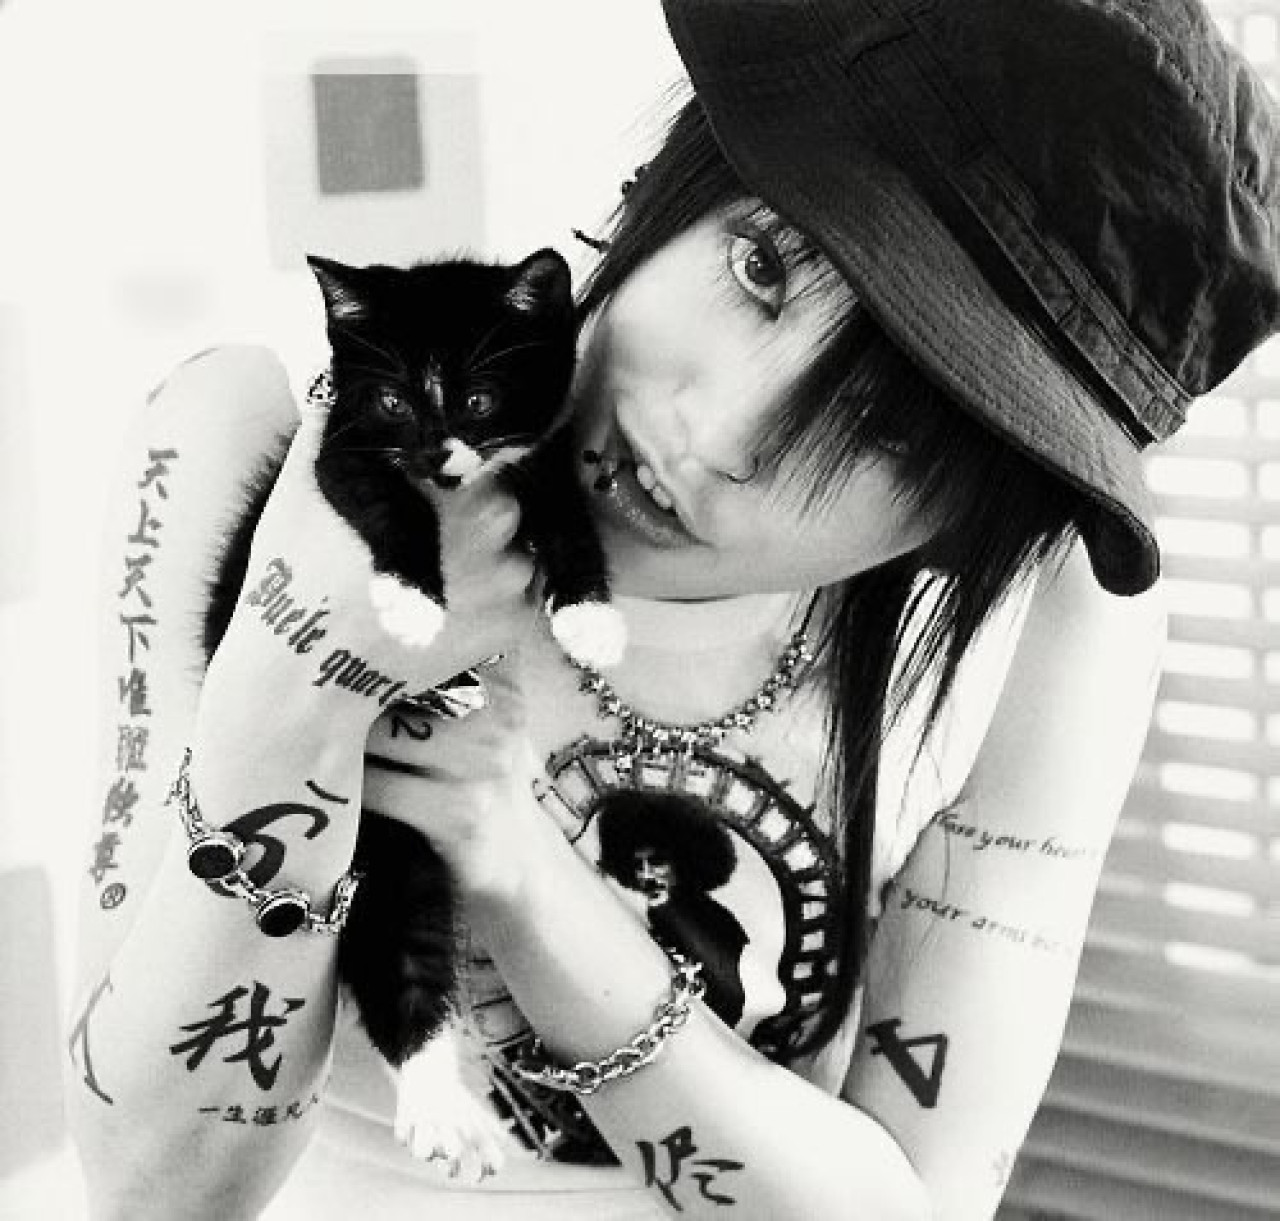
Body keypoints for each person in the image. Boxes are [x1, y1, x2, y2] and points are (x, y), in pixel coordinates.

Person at [67, 1, 1280, 1219]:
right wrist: (303, 679)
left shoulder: (1041, 629)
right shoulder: (255, 446)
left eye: (887, 426)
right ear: (670, 180)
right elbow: (154, 1193)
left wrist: (526, 878)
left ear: (979, 507)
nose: (716, 434)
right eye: (761, 268)